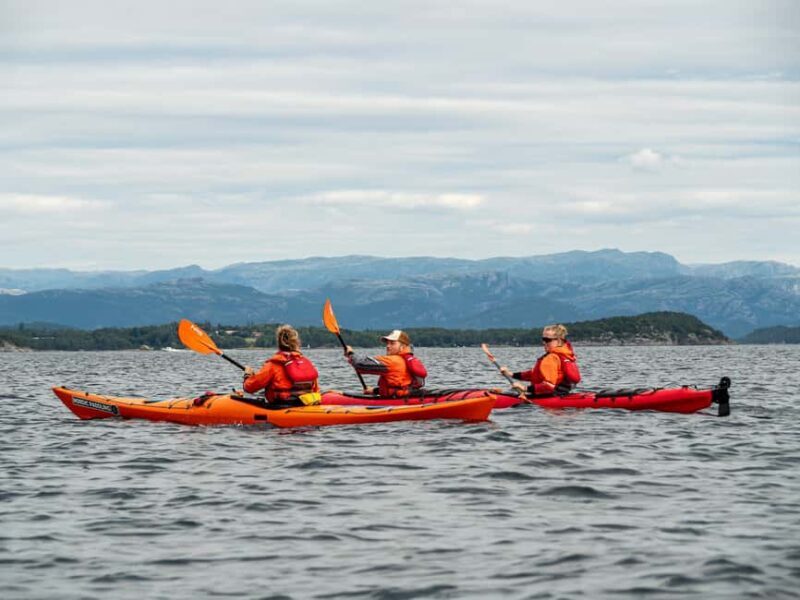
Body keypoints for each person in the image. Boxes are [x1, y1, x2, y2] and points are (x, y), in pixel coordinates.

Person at [242, 324, 321, 406]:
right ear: (296, 342)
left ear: (279, 343)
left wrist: (248, 375)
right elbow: (316, 389)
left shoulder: (273, 365)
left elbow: (249, 387)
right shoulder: (306, 363)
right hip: (305, 404)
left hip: (282, 405)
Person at [500, 324, 581, 396]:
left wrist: (525, 388)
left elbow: (549, 386)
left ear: (559, 340)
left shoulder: (551, 358)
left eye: (547, 340)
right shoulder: (564, 354)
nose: (544, 342)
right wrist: (511, 374)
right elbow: (535, 374)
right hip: (562, 393)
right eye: (543, 339)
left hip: (550, 396)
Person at [344, 329, 428, 397]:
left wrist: (351, 354)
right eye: (387, 343)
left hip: (396, 401)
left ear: (402, 347)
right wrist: (375, 391)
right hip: (403, 396)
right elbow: (399, 387)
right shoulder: (405, 360)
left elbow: (360, 365)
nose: (388, 346)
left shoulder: (392, 361)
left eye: (392, 343)